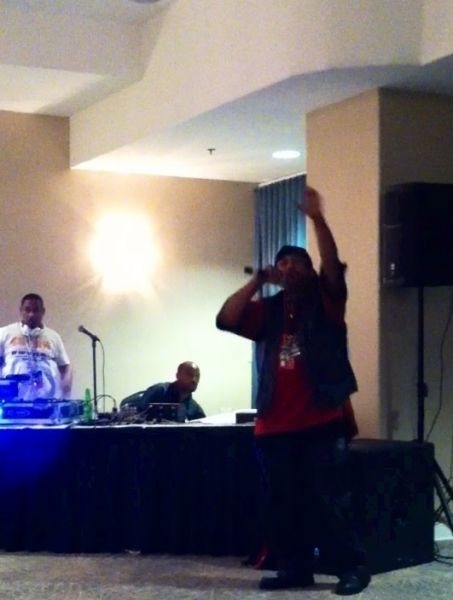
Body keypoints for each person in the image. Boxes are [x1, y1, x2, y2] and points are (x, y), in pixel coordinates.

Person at [216, 186, 371, 595]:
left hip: (321, 419)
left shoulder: (326, 300)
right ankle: (295, 569)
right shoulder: (268, 309)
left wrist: (318, 219)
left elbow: (332, 265)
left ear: (308, 269)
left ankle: (352, 567)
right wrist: (257, 282)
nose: (288, 268)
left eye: (296, 262)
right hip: (274, 424)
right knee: (284, 505)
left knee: (330, 500)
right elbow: (226, 318)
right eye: (282, 263)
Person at [0, 293, 72, 400]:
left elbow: (65, 366)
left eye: (36, 310)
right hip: (13, 402)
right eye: (27, 310)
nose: (31, 314)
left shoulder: (54, 337)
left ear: (43, 311)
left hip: (46, 401)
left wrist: (66, 385)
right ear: (21, 311)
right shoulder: (4, 333)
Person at [120, 361, 205, 423]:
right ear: (178, 375)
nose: (194, 380)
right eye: (189, 375)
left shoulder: (194, 407)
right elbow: (137, 415)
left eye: (197, 376)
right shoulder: (159, 391)